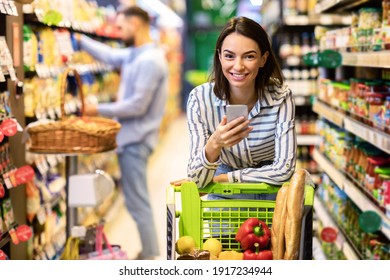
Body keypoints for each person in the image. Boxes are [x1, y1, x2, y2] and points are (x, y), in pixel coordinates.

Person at [77, 6, 169, 260]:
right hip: (130, 139)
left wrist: (97, 109)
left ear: (135, 25)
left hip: (137, 141)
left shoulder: (150, 61)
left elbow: (137, 106)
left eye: (121, 27)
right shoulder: (136, 54)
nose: (118, 32)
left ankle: (150, 256)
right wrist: (79, 40)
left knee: (138, 202)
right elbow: (109, 55)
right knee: (136, 200)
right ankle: (149, 251)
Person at [186, 16, 296, 195]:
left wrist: (226, 178)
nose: (238, 66)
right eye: (229, 56)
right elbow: (196, 180)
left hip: (271, 195)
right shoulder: (199, 100)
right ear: (219, 56)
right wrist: (215, 143)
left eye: (249, 56)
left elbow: (284, 169)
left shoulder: (281, 97)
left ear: (263, 59)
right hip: (225, 198)